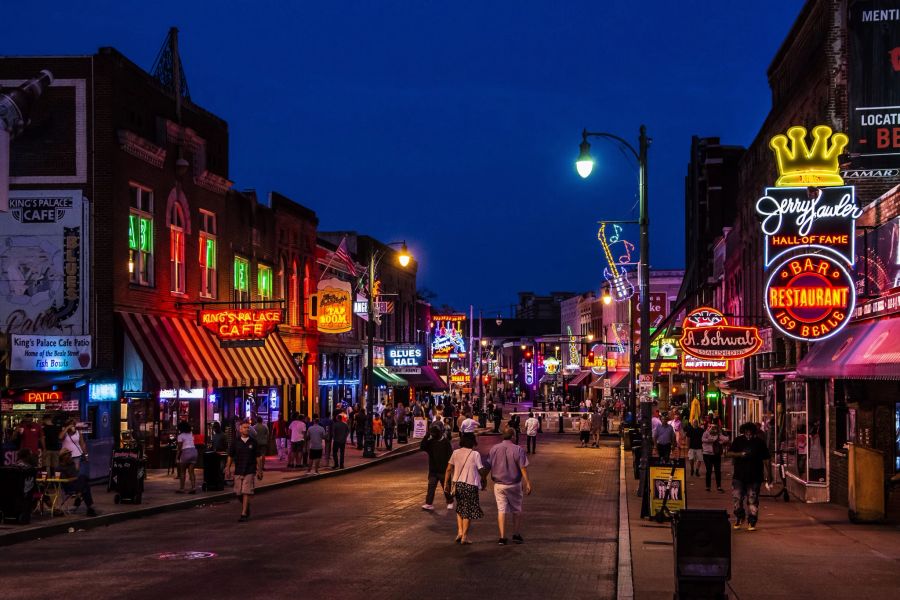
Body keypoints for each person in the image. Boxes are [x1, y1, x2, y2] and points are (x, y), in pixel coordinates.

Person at [489, 428, 533, 545]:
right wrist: (527, 482)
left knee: (501, 510)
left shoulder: (494, 448)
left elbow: (488, 465)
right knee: (516, 510)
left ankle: (502, 537)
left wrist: (483, 478)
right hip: (514, 484)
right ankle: (516, 535)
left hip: (499, 485)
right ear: (513, 436)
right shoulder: (518, 449)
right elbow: (522, 467)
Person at [727, 422, 771, 531]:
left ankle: (752, 521)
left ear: (753, 432)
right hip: (739, 475)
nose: (748, 434)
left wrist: (769, 474)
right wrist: (740, 454)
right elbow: (728, 453)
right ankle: (739, 517)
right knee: (737, 498)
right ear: (743, 431)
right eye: (746, 431)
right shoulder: (738, 440)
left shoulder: (759, 443)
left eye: (750, 431)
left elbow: (766, 459)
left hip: (755, 476)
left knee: (752, 499)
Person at [444, 434, 487, 544]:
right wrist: (484, 478)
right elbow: (481, 469)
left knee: (460, 508)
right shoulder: (475, 454)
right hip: (470, 485)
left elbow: (449, 469)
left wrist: (446, 484)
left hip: (457, 485)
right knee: (467, 511)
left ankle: (460, 532)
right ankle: (465, 536)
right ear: (472, 442)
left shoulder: (455, 453)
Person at [225, 420, 264, 522]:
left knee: (246, 491)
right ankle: (246, 506)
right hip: (238, 470)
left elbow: (258, 457)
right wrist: (227, 468)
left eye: (248, 427)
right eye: (245, 427)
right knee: (238, 493)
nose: (247, 429)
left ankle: (243, 513)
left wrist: (260, 470)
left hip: (250, 470)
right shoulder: (235, 442)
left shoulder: (253, 442)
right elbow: (230, 456)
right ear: (240, 429)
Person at [420, 425, 454, 510]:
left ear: (439, 433)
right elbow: (422, 447)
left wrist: (450, 468)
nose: (433, 435)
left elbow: (450, 455)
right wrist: (426, 436)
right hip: (433, 470)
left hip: (444, 470)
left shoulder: (446, 442)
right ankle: (429, 503)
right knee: (431, 487)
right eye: (432, 433)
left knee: (446, 487)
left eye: (434, 433)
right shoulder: (431, 442)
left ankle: (450, 501)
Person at [58, 448, 97, 517]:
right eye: (68, 455)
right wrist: (76, 478)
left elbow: (76, 474)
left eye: (70, 454)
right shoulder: (59, 468)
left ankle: (83, 501)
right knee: (84, 482)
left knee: (84, 483)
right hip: (68, 486)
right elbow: (64, 480)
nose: (70, 456)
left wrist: (76, 478)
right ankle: (89, 507)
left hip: (77, 484)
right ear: (63, 457)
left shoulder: (72, 464)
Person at [702, 422, 729, 492]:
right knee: (709, 470)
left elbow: (726, 439)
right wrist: (711, 440)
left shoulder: (718, 434)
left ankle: (719, 486)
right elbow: (703, 439)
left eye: (714, 427)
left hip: (716, 454)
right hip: (707, 454)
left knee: (718, 471)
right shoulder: (706, 433)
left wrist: (721, 442)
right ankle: (708, 486)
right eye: (711, 427)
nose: (713, 429)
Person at [175, 420, 198, 494]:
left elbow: (179, 448)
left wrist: (177, 458)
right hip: (194, 452)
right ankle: (193, 487)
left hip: (186, 453)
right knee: (191, 471)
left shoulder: (180, 436)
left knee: (182, 472)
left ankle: (182, 488)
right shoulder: (191, 434)